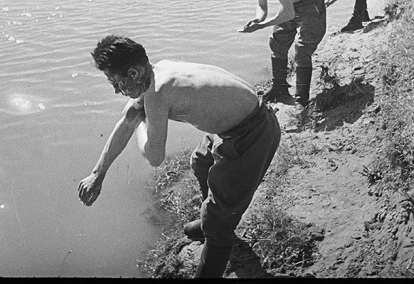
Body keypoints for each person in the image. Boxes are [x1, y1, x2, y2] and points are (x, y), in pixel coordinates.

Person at [78, 35, 281, 278]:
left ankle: (217, 230)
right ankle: (212, 223)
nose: (115, 90)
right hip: (237, 125)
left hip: (253, 133)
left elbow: (154, 156)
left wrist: (142, 122)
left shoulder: (157, 92)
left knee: (219, 225)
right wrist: (97, 174)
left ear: (133, 73)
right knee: (201, 161)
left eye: (115, 82)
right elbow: (125, 122)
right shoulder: (158, 71)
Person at [233, 0, 326, 112]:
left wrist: (262, 26)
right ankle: (279, 89)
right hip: (291, 4)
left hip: (311, 3)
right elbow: (262, 5)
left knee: (302, 51)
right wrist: (258, 19)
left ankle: (301, 101)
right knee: (276, 42)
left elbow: (288, 14)